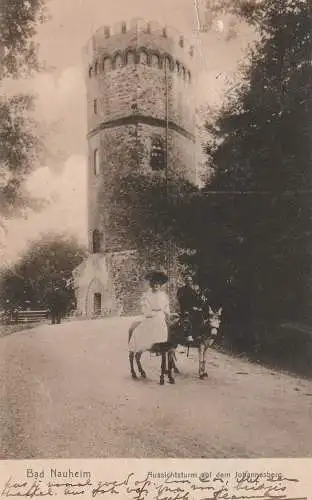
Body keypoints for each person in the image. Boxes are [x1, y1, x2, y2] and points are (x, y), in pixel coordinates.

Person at [128, 270, 170, 353]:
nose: (156, 285)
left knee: (168, 328)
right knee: (141, 330)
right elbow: (145, 307)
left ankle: (163, 346)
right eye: (154, 283)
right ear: (151, 284)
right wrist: (150, 313)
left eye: (158, 284)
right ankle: (150, 347)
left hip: (161, 316)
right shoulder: (147, 295)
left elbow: (166, 307)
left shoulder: (163, 295)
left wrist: (167, 314)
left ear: (160, 285)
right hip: (151, 316)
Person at [177, 276, 202, 341]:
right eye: (187, 281)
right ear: (185, 281)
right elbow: (181, 300)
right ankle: (188, 335)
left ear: (192, 282)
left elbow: (197, 300)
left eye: (190, 281)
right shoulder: (181, 290)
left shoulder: (194, 290)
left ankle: (197, 334)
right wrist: (191, 307)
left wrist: (198, 307)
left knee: (200, 317)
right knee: (187, 318)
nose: (189, 282)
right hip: (185, 309)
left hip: (193, 309)